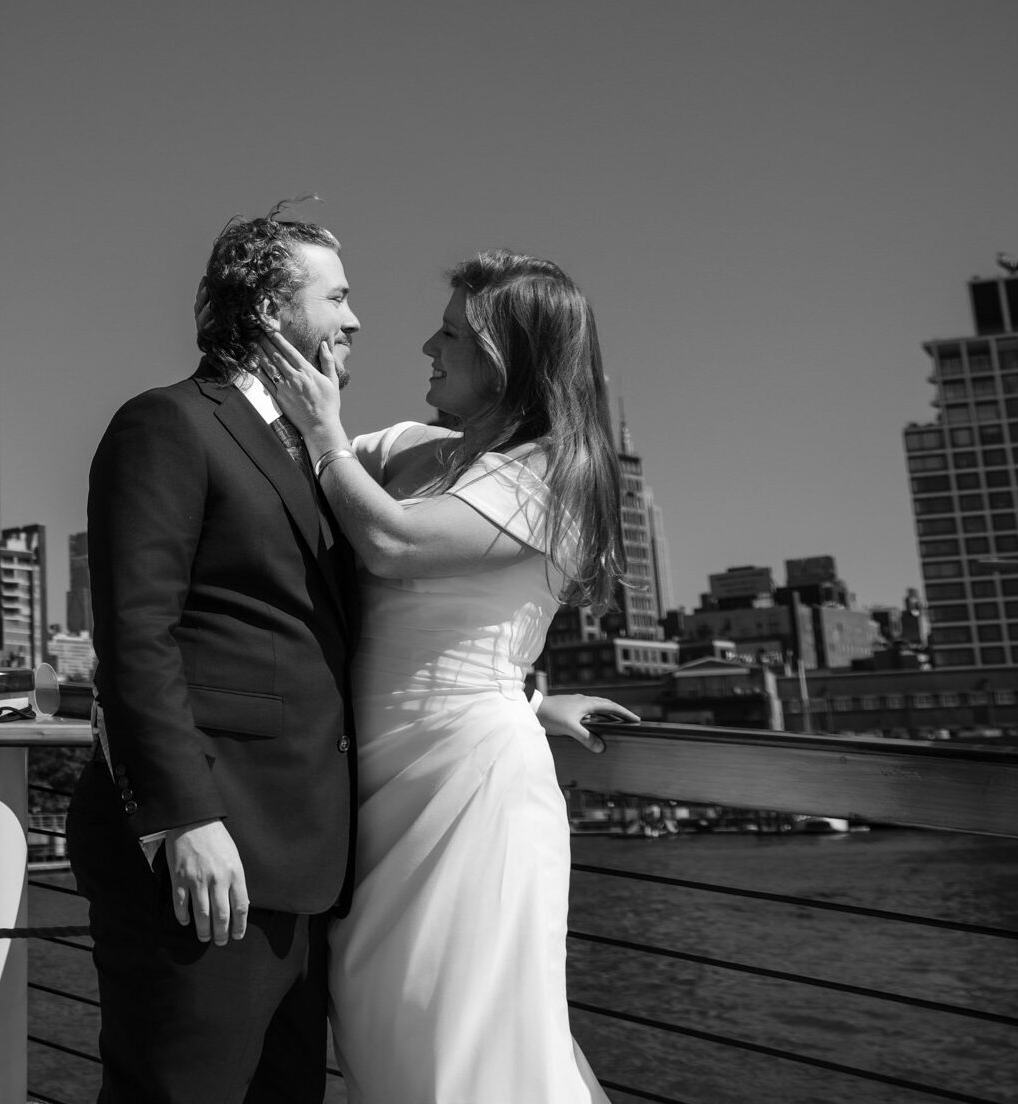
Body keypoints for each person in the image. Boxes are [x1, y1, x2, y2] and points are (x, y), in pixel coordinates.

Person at [259, 248, 633, 1102]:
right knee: (384, 1030)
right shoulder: (401, 448)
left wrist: (322, 432)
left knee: (469, 1043)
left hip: (469, 795)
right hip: (372, 790)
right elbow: (272, 483)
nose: (428, 347)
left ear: (513, 358)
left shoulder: (555, 473)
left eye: (453, 334)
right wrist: (533, 693)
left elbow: (390, 542)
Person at [66, 206, 362, 1103]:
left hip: (302, 868)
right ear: (272, 310)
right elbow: (134, 637)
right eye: (337, 296)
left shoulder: (313, 453)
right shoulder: (167, 424)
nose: (354, 322)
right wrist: (183, 821)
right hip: (207, 863)